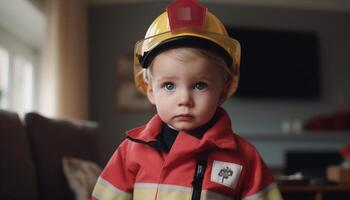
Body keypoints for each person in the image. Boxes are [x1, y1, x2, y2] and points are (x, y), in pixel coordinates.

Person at [92, 0, 282, 199]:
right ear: (150, 91)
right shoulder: (130, 151)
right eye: (169, 85)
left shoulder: (244, 157)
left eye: (200, 85)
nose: (184, 99)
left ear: (223, 91)